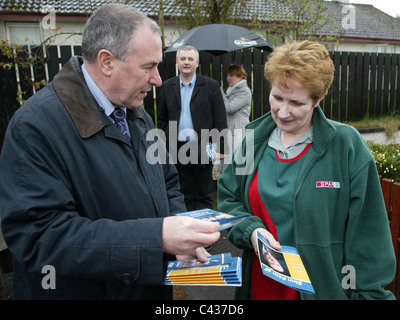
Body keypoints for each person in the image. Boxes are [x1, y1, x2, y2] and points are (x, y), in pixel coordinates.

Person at [0, 4, 221, 300]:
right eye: (148, 66)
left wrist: (180, 231)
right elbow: (41, 237)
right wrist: (155, 239)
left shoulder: (133, 109)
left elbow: (167, 180)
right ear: (106, 62)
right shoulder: (36, 127)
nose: (157, 79)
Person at [217, 40, 396, 300]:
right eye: (277, 97)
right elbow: (228, 199)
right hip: (259, 289)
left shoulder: (346, 147)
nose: (283, 111)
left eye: (297, 103)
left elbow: (369, 238)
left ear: (318, 99)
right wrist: (252, 231)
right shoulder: (252, 141)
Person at [158, 45, 227, 211]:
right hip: (178, 147)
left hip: (204, 145)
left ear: (197, 62)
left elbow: (220, 120)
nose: (186, 62)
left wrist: (221, 147)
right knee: (183, 192)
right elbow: (161, 119)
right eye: (183, 59)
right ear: (177, 62)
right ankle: (188, 231)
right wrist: (169, 140)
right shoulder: (167, 87)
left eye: (190, 59)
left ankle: (207, 232)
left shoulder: (211, 86)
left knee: (204, 192)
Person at [217, 64, 251, 172]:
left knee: (236, 163)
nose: (228, 78)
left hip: (238, 131)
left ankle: (235, 187)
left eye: (231, 75)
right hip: (229, 130)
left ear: (240, 76)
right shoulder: (232, 90)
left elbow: (230, 107)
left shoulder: (244, 91)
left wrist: (221, 94)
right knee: (228, 161)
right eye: (227, 75)